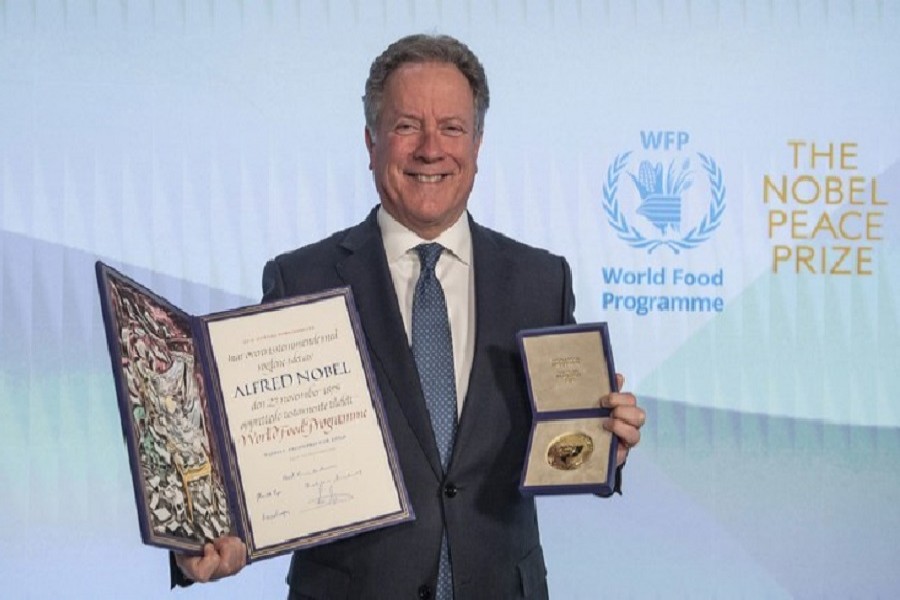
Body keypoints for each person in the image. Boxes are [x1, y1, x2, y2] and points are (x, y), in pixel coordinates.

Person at [174, 33, 645, 599]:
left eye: (452, 128)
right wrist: (215, 534)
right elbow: (257, 451)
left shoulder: (540, 281)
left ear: (478, 143)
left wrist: (605, 445)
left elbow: (557, 438)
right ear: (370, 141)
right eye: (406, 126)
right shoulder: (302, 279)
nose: (430, 149)